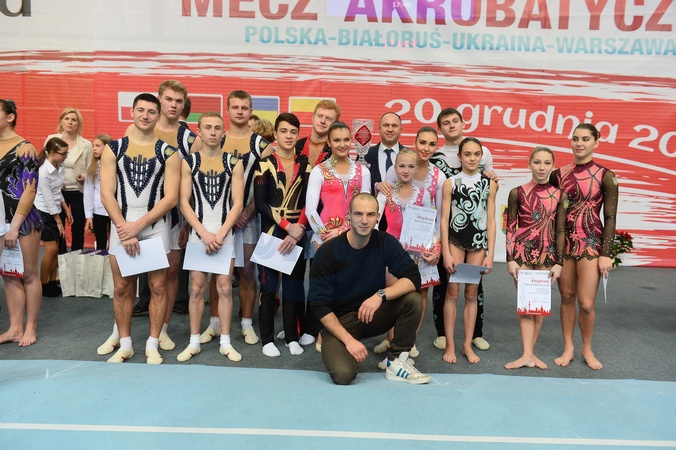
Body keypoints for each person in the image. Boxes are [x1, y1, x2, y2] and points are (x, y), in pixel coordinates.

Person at [308, 193, 431, 385]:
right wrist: (349, 341)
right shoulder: (328, 252)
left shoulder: (385, 242)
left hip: (370, 314)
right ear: (348, 216)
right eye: (358, 214)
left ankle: (396, 361)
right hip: (339, 323)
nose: (364, 220)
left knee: (413, 299)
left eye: (370, 214)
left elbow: (413, 277)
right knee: (343, 375)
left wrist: (381, 295)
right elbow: (319, 305)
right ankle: (343, 346)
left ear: (377, 217)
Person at [98, 93, 180, 364]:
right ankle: (125, 344)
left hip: (155, 227)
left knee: (158, 286)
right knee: (122, 287)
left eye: (151, 112)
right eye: (141, 110)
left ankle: (152, 344)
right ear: (132, 112)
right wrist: (124, 228)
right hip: (121, 225)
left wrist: (138, 226)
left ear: (158, 116)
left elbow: (171, 198)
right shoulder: (114, 148)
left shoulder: (169, 153)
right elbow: (106, 193)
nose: (145, 116)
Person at [199, 90, 272, 347]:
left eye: (244, 107)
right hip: (216, 218)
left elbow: (266, 186)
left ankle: (246, 324)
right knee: (216, 272)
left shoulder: (262, 146)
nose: (239, 111)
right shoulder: (215, 138)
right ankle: (214, 323)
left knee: (248, 271)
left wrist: (248, 211)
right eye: (235, 107)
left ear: (250, 111)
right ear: (227, 110)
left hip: (248, 218)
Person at [129, 81, 198, 349]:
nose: (173, 105)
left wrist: (189, 223)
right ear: (159, 99)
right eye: (168, 99)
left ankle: (163, 330)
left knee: (169, 274)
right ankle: (119, 332)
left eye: (179, 101)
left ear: (184, 105)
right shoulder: (136, 129)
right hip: (137, 211)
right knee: (130, 276)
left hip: (174, 216)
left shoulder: (191, 139)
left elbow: (195, 184)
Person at [549, 123, 618, 370]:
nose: (579, 143)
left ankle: (586, 348)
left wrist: (606, 253)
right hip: (564, 243)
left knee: (587, 303)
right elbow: (551, 212)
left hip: (590, 243)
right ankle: (568, 347)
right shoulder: (558, 175)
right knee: (567, 297)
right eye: (575, 138)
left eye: (585, 139)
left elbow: (610, 217)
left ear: (596, 143)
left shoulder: (606, 176)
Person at [176, 112, 244, 363]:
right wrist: (204, 233)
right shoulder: (189, 162)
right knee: (196, 288)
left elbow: (238, 204)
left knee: (225, 288)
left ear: (223, 132)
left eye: (217, 128)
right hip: (199, 234)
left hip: (225, 234)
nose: (213, 132)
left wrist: (221, 234)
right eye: (208, 127)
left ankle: (225, 342)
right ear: (199, 131)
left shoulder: (234, 162)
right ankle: (194, 341)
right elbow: (184, 202)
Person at [430, 108, 496, 353]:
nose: (472, 158)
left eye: (476, 154)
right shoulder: (450, 181)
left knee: (472, 292)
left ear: (482, 156)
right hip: (455, 241)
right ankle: (449, 342)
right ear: (460, 157)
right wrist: (446, 252)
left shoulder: (489, 184)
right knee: (451, 291)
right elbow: (444, 217)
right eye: (467, 154)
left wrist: (490, 253)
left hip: (477, 243)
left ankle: (468, 343)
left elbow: (491, 221)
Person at [376, 128, 446, 358]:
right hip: (390, 252)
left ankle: (407, 341)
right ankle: (390, 341)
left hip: (416, 252)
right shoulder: (386, 193)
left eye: (410, 167)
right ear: (395, 169)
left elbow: (431, 221)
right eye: (402, 166)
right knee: (391, 294)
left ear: (415, 170)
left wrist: (435, 247)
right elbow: (374, 221)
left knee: (417, 295)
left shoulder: (423, 193)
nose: (406, 170)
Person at [254, 113, 312, 357]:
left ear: (298, 135)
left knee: (293, 287)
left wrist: (297, 230)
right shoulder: (264, 164)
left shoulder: (306, 165)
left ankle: (291, 337)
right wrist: (287, 226)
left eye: (293, 132)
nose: (288, 136)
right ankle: (267, 339)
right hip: (272, 231)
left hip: (297, 232)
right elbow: (260, 204)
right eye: (284, 131)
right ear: (275, 134)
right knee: (268, 288)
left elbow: (309, 202)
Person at [504, 147, 567, 370]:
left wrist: (559, 262)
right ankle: (527, 354)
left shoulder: (560, 195)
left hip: (547, 254)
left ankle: (529, 354)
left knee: (538, 305)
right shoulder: (517, 192)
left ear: (553, 166)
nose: (541, 167)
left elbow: (561, 231)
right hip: (522, 253)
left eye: (547, 163)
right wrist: (510, 258)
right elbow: (510, 227)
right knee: (526, 303)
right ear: (529, 163)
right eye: (537, 162)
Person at [0, 99, 43, 346]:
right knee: (8, 274)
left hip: (23, 219)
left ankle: (30, 327)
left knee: (28, 274)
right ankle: (14, 328)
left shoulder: (25, 148)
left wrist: (15, 226)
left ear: (10, 117)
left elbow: (30, 189)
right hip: (0, 219)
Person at [305, 122, 371, 250]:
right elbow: (310, 210)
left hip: (355, 237)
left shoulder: (363, 171)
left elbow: (366, 209)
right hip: (324, 238)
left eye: (346, 140)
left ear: (351, 140)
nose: (342, 145)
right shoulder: (319, 171)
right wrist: (324, 235)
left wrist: (342, 231)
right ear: (328, 142)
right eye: (337, 140)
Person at [44, 108, 92, 253]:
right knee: (58, 226)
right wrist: (57, 182)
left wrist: (84, 177)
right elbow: (45, 164)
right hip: (58, 191)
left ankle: (77, 257)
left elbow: (91, 168)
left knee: (78, 227)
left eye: (74, 120)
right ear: (61, 122)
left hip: (78, 191)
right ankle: (60, 257)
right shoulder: (52, 139)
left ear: (78, 124)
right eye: (67, 119)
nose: (70, 122)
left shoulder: (86, 144)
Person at [34, 137, 73, 297]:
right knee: (51, 249)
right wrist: (58, 221)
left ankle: (52, 281)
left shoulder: (60, 167)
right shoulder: (43, 172)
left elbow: (57, 192)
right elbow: (48, 198)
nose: (65, 157)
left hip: (56, 209)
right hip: (44, 212)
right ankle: (43, 284)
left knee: (56, 249)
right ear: (51, 152)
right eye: (63, 154)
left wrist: (66, 209)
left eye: (66, 153)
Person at [84, 134, 112, 250]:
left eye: (98, 146)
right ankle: (101, 260)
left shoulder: (117, 165)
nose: (94, 148)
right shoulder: (92, 167)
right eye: (93, 146)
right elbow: (88, 192)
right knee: (101, 241)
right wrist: (89, 215)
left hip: (115, 209)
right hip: (98, 209)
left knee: (117, 241)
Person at [294, 100, 340, 167]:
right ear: (313, 117)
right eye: (320, 116)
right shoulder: (296, 146)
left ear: (335, 124)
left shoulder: (338, 151)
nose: (323, 121)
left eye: (328, 118)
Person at [365, 112, 403, 193]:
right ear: (379, 129)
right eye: (386, 125)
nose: (390, 129)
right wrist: (376, 187)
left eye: (394, 126)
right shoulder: (366, 155)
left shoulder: (410, 156)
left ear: (400, 130)